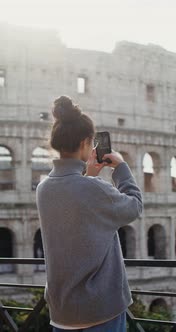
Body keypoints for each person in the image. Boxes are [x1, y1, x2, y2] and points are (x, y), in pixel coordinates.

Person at [36, 95, 143, 332]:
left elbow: (74, 202)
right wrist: (121, 168)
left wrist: (89, 175)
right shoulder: (94, 189)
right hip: (100, 311)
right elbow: (135, 206)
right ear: (86, 142)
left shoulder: (43, 189)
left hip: (62, 312)